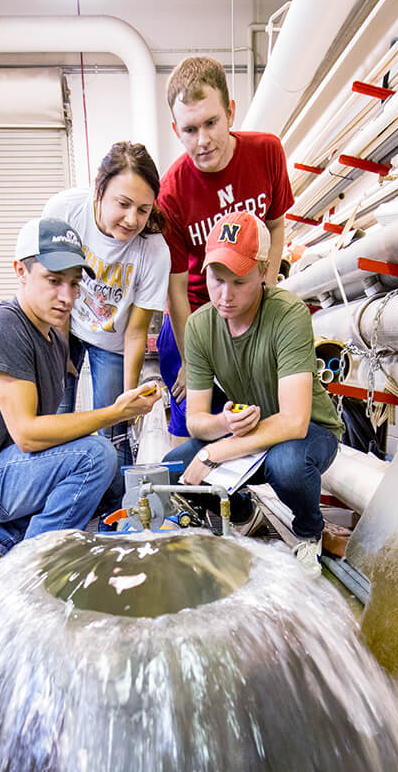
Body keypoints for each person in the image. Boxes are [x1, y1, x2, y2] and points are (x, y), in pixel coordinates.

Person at [0, 216, 161, 561]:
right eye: (53, 280)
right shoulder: (4, 324)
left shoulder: (53, 335)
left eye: (74, 284)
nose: (67, 296)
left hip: (9, 469)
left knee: (98, 485)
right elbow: (28, 434)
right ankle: (33, 565)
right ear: (20, 271)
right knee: (95, 457)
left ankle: (0, 536)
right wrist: (114, 413)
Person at [163, 211, 344, 573]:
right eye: (216, 280)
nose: (225, 295)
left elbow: (294, 422)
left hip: (309, 433)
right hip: (248, 433)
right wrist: (224, 422)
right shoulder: (200, 326)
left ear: (263, 272)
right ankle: (242, 509)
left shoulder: (288, 313)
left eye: (239, 282)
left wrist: (216, 451)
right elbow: (197, 421)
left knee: (288, 465)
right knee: (171, 471)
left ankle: (310, 533)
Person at [157, 56, 295, 443]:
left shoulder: (267, 152)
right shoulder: (171, 192)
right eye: (189, 129)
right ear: (176, 130)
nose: (203, 140)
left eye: (211, 123)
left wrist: (264, 294)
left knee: (257, 417)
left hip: (250, 300)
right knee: (196, 425)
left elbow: (274, 223)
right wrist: (191, 357)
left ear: (230, 112)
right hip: (196, 315)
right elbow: (176, 286)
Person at [42, 142, 170, 506]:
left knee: (113, 425)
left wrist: (127, 401)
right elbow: (52, 290)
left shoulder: (154, 251)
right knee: (58, 414)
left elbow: (135, 331)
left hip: (113, 338)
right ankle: (58, 501)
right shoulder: (64, 211)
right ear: (99, 187)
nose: (132, 219)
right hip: (64, 321)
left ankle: (117, 507)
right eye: (123, 204)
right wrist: (62, 351)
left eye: (143, 210)